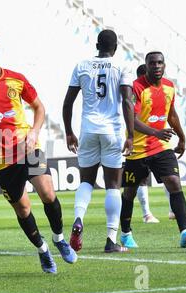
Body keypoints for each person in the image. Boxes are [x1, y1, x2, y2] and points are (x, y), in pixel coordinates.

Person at [0, 32, 77, 274]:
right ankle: (43, 251)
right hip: (1, 160)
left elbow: (39, 107)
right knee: (23, 209)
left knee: (48, 194)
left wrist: (34, 132)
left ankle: (59, 238)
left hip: (27, 147)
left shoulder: (16, 79)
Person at [119, 51, 186, 248]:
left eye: (160, 63)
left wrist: (182, 137)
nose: (156, 66)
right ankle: (125, 233)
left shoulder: (169, 86)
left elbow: (171, 114)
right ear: (146, 66)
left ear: (164, 65)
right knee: (129, 193)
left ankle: (185, 232)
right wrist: (155, 133)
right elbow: (132, 119)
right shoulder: (137, 88)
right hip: (138, 149)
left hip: (161, 146)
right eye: (152, 63)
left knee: (174, 182)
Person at [62, 29, 134, 253]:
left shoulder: (81, 65)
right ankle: (111, 241)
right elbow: (127, 102)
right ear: (116, 47)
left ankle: (78, 219)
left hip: (88, 130)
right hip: (111, 130)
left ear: (96, 45)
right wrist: (130, 135)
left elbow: (67, 103)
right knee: (113, 185)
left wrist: (69, 132)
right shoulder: (121, 66)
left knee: (86, 182)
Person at [134, 64, 160, 224]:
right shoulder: (136, 90)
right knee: (141, 179)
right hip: (139, 142)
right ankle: (147, 214)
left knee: (168, 176)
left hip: (156, 141)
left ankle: (173, 210)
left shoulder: (158, 91)